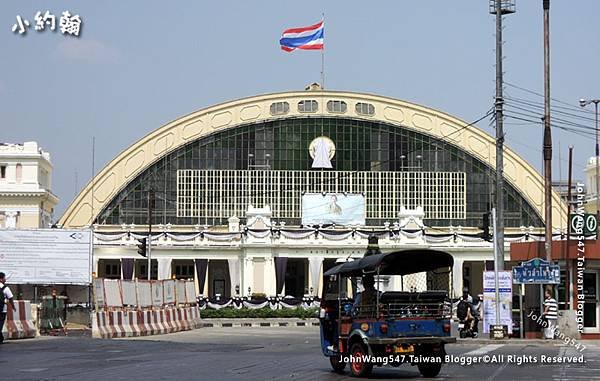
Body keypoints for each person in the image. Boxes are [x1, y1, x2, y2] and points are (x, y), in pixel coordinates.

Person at [0, 272, 16, 344]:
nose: (5, 279)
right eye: (4, 278)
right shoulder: (5, 288)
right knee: (0, 324)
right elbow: (11, 298)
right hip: (2, 309)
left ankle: (1, 338)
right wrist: (13, 307)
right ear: (1, 279)